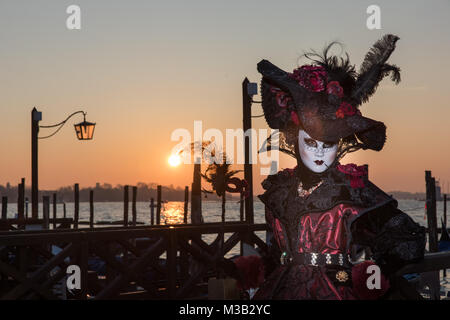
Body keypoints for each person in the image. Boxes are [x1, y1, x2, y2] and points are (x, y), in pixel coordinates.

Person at [232, 34, 426, 300]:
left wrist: (370, 275)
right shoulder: (281, 190)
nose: (320, 152)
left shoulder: (351, 191)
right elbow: (279, 254)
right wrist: (252, 268)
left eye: (329, 143)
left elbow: (406, 238)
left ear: (340, 144)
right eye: (310, 142)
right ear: (294, 139)